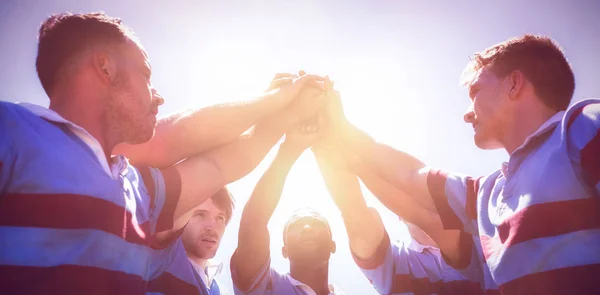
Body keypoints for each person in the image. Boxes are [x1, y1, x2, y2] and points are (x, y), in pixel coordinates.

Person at [0, 12, 327, 294]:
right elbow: (180, 133)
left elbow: (219, 165)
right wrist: (272, 102)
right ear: (105, 68)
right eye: (145, 74)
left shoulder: (137, 193)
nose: (158, 97)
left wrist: (285, 114)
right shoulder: (13, 129)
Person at [323, 34, 600, 294]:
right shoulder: (490, 194)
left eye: (476, 90)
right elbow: (410, 176)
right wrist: (339, 127)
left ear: (514, 84)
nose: (468, 115)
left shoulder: (583, 126)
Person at [312, 139, 484, 295]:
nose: (414, 196)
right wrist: (324, 144)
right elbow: (356, 215)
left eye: (420, 190)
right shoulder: (396, 262)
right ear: (397, 211)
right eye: (402, 193)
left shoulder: (485, 240)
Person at [230, 119, 343, 295]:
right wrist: (290, 149)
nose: (307, 228)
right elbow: (253, 222)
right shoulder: (265, 286)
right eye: (295, 226)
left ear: (333, 245)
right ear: (284, 251)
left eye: (317, 223)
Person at [147, 188, 234, 295]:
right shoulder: (159, 263)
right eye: (200, 214)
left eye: (220, 218)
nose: (212, 227)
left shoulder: (214, 287)